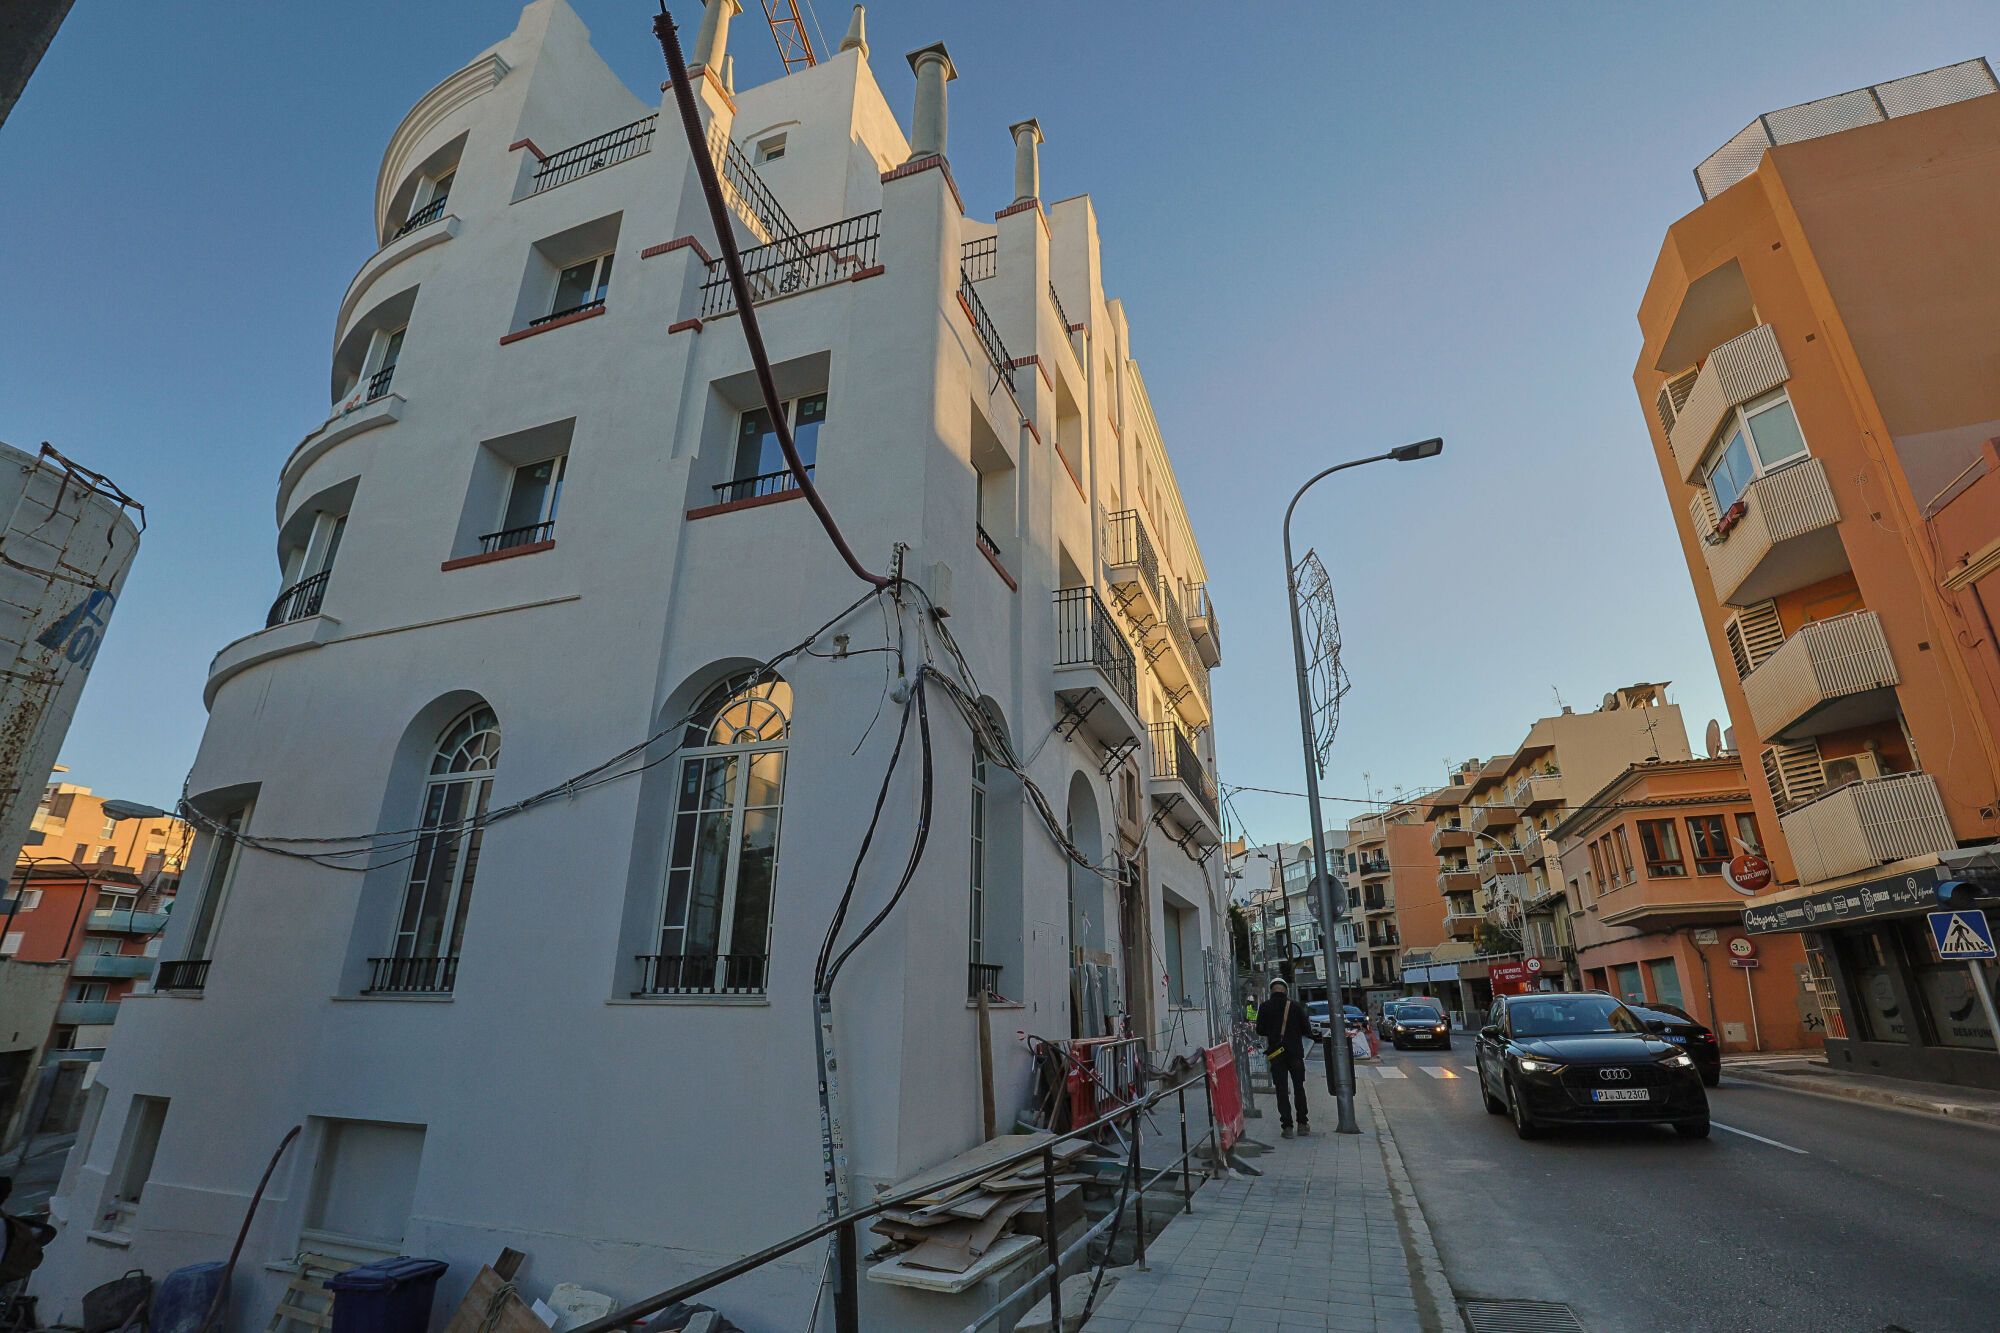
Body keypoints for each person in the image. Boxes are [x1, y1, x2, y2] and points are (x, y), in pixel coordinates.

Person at [1254, 978, 1314, 1137]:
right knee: (1299, 1088)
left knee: (1281, 1090)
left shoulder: (1265, 1007)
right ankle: (1302, 1123)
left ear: (1271, 990)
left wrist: (1273, 1032)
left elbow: (1259, 1030)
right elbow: (1307, 1030)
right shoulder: (1295, 1006)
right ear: (1285, 990)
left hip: (1277, 1054)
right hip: (1295, 1053)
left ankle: (1287, 1127)